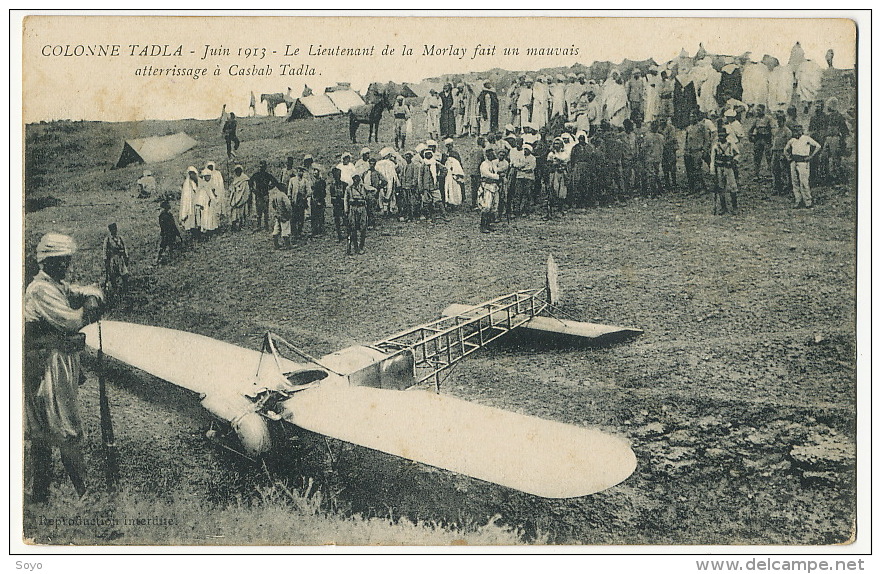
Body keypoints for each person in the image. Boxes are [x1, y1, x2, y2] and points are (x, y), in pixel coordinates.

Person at [24, 233, 103, 502]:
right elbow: (70, 322)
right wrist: (89, 308)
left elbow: (87, 291)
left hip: (53, 361)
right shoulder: (41, 290)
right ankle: (83, 492)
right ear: (50, 262)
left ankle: (40, 494)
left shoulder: (54, 285)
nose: (67, 267)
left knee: (44, 431)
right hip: (47, 364)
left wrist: (91, 296)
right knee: (64, 428)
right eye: (63, 262)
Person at [784, 124, 821, 208]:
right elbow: (785, 150)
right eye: (794, 131)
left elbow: (818, 146)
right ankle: (798, 200)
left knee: (804, 182)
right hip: (794, 162)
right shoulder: (792, 140)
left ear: (801, 131)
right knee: (795, 182)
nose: (796, 133)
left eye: (798, 131)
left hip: (803, 162)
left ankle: (808, 201)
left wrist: (811, 156)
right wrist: (789, 158)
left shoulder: (806, 138)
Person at [712, 127, 740, 215]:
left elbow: (737, 154)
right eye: (719, 136)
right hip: (720, 168)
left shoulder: (731, 144)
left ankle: (735, 207)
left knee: (733, 187)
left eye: (722, 135)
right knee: (721, 187)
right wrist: (712, 171)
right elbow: (712, 159)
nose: (721, 137)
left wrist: (734, 161)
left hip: (729, 167)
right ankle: (723, 208)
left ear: (725, 135)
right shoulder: (716, 146)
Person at [417, 148, 447, 222]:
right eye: (427, 154)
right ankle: (428, 217)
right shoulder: (423, 165)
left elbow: (444, 169)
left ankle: (444, 215)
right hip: (426, 187)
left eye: (429, 154)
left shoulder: (435, 163)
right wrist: (421, 188)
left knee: (439, 201)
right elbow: (420, 177)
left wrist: (440, 177)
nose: (428, 155)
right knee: (426, 203)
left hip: (434, 186)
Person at [249, 160, 279, 231]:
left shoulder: (267, 175)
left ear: (265, 167)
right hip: (258, 195)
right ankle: (259, 226)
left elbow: (275, 182)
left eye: (263, 167)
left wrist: (270, 187)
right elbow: (250, 182)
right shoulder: (256, 175)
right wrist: (253, 190)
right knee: (258, 211)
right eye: (260, 167)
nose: (261, 168)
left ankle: (266, 226)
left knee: (265, 211)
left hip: (265, 195)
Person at [102, 223, 130, 297]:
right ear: (110, 230)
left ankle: (125, 290)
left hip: (120, 259)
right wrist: (106, 261)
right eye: (112, 230)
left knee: (125, 274)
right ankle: (115, 291)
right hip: (112, 260)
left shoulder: (120, 238)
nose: (114, 231)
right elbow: (104, 251)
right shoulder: (107, 239)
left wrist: (126, 257)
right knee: (112, 276)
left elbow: (125, 248)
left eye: (115, 229)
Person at [345, 173, 368, 255]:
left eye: (357, 178)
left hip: (361, 209)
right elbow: (346, 200)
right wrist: (346, 211)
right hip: (353, 209)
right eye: (354, 178)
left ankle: (361, 246)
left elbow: (365, 198)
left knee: (363, 228)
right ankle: (355, 247)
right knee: (353, 228)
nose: (356, 180)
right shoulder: (349, 188)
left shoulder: (362, 187)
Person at [749, 104, 774, 180]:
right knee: (757, 157)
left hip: (767, 139)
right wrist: (750, 136)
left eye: (759, 110)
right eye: (757, 110)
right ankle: (756, 173)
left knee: (769, 156)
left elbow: (773, 129)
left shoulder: (768, 118)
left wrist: (772, 139)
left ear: (763, 110)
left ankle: (770, 173)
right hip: (758, 139)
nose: (757, 112)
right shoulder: (756, 119)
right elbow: (751, 129)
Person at [770, 112, 793, 195]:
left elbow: (789, 144)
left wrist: (785, 154)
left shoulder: (787, 131)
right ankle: (776, 188)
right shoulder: (776, 130)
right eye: (777, 121)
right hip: (775, 151)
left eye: (780, 121)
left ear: (784, 121)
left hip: (782, 152)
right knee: (775, 170)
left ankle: (786, 187)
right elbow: (774, 141)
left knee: (784, 170)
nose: (778, 123)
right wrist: (772, 150)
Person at [478, 148, 500, 233]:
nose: (493, 155)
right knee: (486, 206)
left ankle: (489, 224)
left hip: (494, 186)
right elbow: (487, 174)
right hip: (487, 186)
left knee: (494, 206)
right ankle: (483, 226)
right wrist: (497, 177)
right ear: (487, 155)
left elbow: (496, 172)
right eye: (491, 154)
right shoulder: (484, 164)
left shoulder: (493, 164)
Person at [156, 200, 183, 264]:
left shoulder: (163, 216)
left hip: (167, 234)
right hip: (169, 234)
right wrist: (178, 234)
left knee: (164, 246)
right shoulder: (168, 215)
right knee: (169, 246)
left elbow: (168, 226)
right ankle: (166, 258)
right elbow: (173, 225)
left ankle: (161, 259)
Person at [269, 183, 293, 249]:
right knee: (286, 230)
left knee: (276, 229)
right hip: (284, 215)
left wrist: (277, 211)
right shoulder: (283, 195)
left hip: (278, 215)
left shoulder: (275, 195)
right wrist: (289, 213)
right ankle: (288, 245)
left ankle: (276, 244)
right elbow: (288, 205)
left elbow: (273, 205)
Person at [228, 164, 251, 231]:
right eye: (236, 171)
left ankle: (241, 226)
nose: (237, 172)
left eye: (239, 171)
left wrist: (239, 196)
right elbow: (232, 187)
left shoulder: (244, 179)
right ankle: (234, 226)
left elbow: (244, 190)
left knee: (241, 213)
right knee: (234, 213)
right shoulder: (236, 178)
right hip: (235, 198)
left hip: (241, 199)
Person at [196, 168, 218, 238]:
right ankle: (206, 230)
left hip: (210, 203)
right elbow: (201, 195)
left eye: (209, 176)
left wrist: (214, 197)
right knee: (205, 216)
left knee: (211, 216)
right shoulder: (203, 185)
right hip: (205, 203)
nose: (208, 177)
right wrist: (201, 204)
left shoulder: (210, 184)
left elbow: (213, 193)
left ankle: (211, 229)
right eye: (206, 176)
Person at [288, 167, 309, 239]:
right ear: (297, 172)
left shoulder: (305, 181)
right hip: (294, 201)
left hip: (301, 202)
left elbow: (309, 191)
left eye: (302, 171)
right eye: (299, 171)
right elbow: (289, 190)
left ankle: (300, 231)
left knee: (301, 217)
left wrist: (305, 197)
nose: (301, 173)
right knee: (293, 217)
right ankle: (294, 232)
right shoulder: (292, 180)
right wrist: (290, 199)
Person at [661, 117, 679, 190]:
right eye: (660, 120)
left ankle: (674, 183)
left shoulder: (671, 128)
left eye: (663, 119)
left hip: (670, 148)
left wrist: (664, 143)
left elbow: (672, 138)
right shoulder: (659, 128)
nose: (662, 121)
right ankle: (667, 183)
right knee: (664, 166)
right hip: (663, 150)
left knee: (672, 166)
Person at [311, 167, 327, 236]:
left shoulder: (321, 182)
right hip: (314, 200)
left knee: (320, 216)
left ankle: (320, 230)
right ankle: (314, 231)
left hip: (319, 200)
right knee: (314, 216)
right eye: (314, 172)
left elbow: (323, 192)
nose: (314, 173)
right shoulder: (313, 181)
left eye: (316, 172)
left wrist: (319, 200)